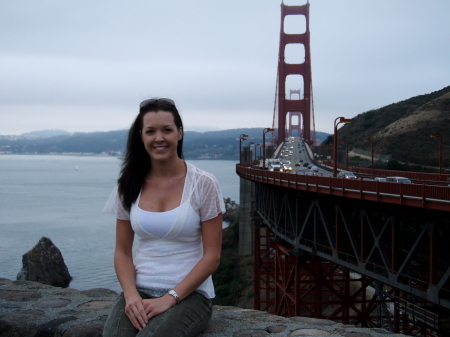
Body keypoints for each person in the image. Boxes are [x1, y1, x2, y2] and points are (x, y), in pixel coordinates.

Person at [103, 98, 226, 336]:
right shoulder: (129, 185)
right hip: (140, 290)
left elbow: (212, 256)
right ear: (141, 136)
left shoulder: (203, 184)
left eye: (167, 130)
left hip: (190, 295)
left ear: (180, 133)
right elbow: (122, 251)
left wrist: (170, 297)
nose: (159, 138)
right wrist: (130, 296)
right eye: (151, 131)